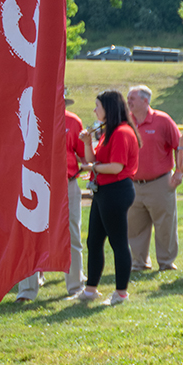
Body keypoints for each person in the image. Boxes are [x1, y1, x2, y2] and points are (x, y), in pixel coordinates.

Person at [14, 90, 87, 301]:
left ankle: (76, 286)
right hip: (35, 185)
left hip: (66, 185)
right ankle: (27, 290)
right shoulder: (28, 119)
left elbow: (82, 156)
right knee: (30, 235)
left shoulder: (73, 121)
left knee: (72, 234)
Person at [71, 89, 141, 306]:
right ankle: (91, 289)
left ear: (108, 109)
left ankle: (121, 292)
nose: (94, 110)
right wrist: (86, 142)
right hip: (103, 191)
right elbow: (96, 159)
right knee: (94, 240)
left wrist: (91, 167)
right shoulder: (109, 131)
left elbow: (116, 167)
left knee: (118, 242)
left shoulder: (122, 132)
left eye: (97, 106)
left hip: (116, 191)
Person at [126, 85, 183, 270]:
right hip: (133, 184)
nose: (128, 102)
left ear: (146, 101)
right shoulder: (126, 121)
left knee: (165, 225)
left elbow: (180, 145)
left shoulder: (162, 120)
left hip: (160, 182)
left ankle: (166, 262)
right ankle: (139, 262)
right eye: (128, 98)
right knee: (135, 226)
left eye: (132, 98)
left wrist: (179, 171)